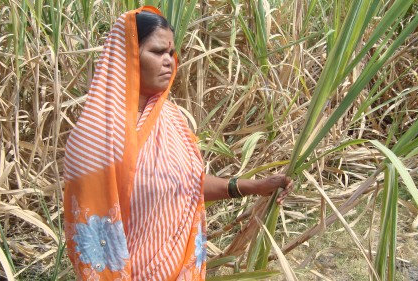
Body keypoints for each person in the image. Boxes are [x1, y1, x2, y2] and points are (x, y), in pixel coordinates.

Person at [63, 6, 294, 281]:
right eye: (157, 52)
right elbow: (92, 226)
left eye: (171, 53)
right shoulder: (96, 134)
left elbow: (188, 185)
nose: (169, 61)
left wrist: (253, 187)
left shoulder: (171, 118)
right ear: (127, 56)